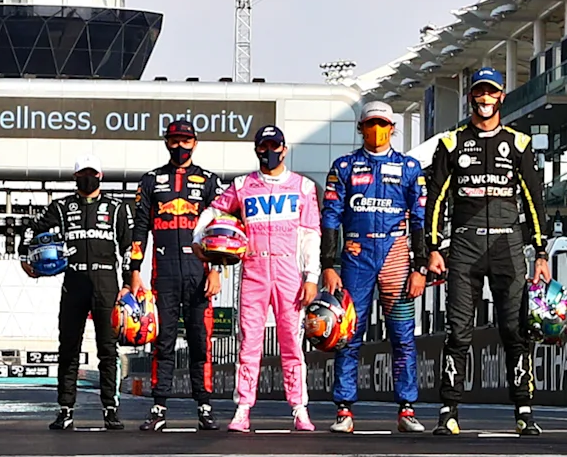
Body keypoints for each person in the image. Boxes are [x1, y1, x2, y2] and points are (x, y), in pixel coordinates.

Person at [422, 68, 544, 436]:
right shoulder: (450, 143)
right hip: (464, 245)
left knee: (514, 329)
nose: (485, 98)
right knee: (459, 331)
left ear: (501, 96)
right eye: (479, 92)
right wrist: (432, 247)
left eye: (491, 92)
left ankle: (524, 409)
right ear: (471, 98)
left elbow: (534, 199)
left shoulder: (519, 143)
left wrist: (540, 251)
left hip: (508, 244)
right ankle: (449, 410)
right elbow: (437, 199)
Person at [320, 102, 427, 435]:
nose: (376, 130)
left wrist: (420, 267)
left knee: (403, 336)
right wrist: (329, 264)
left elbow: (421, 219)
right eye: (370, 124)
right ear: (361, 128)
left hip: (396, 255)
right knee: (348, 333)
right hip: (355, 255)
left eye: (382, 124)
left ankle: (407, 408)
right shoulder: (344, 167)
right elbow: (330, 218)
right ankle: (344, 409)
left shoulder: (410, 167)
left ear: (392, 127)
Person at [207, 125, 320, 434]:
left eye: (274, 145)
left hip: (288, 271)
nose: (269, 151)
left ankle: (299, 408)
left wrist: (312, 276)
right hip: (254, 269)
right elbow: (213, 213)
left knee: (291, 343)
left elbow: (311, 235)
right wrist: (199, 240)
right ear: (256, 149)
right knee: (249, 343)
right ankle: (243, 408)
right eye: (263, 146)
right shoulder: (242, 185)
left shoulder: (303, 187)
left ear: (284, 149)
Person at [133, 119, 225, 432]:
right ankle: (159, 407)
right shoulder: (150, 180)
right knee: (163, 342)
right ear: (166, 142)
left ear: (195, 143)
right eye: (174, 140)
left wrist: (217, 269)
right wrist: (134, 272)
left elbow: (222, 230)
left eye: (186, 140)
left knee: (201, 342)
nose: (180, 146)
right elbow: (139, 230)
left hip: (200, 274)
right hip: (165, 274)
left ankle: (205, 406)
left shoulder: (210, 181)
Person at [39, 165, 144, 432]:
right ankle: (65, 410)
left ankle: (110, 409)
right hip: (73, 281)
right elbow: (33, 234)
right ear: (75, 177)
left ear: (101, 176)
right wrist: (29, 261)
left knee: (108, 349)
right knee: (68, 348)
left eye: (92, 173)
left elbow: (129, 247)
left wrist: (127, 283)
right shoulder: (61, 207)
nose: (88, 178)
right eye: (82, 174)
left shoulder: (117, 207)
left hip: (106, 283)